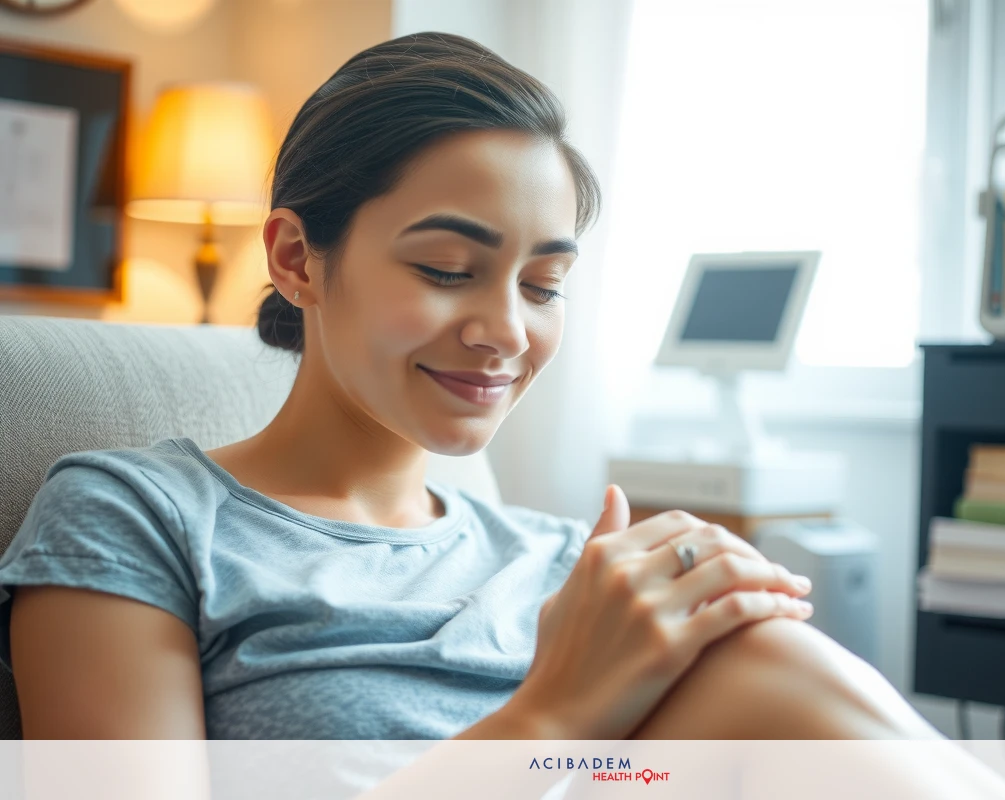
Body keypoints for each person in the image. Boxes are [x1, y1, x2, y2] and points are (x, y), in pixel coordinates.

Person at [1, 31, 946, 748]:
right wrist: (556, 713)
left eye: (543, 286)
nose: (507, 331)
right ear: (297, 258)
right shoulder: (137, 520)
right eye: (449, 268)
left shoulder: (566, 568)